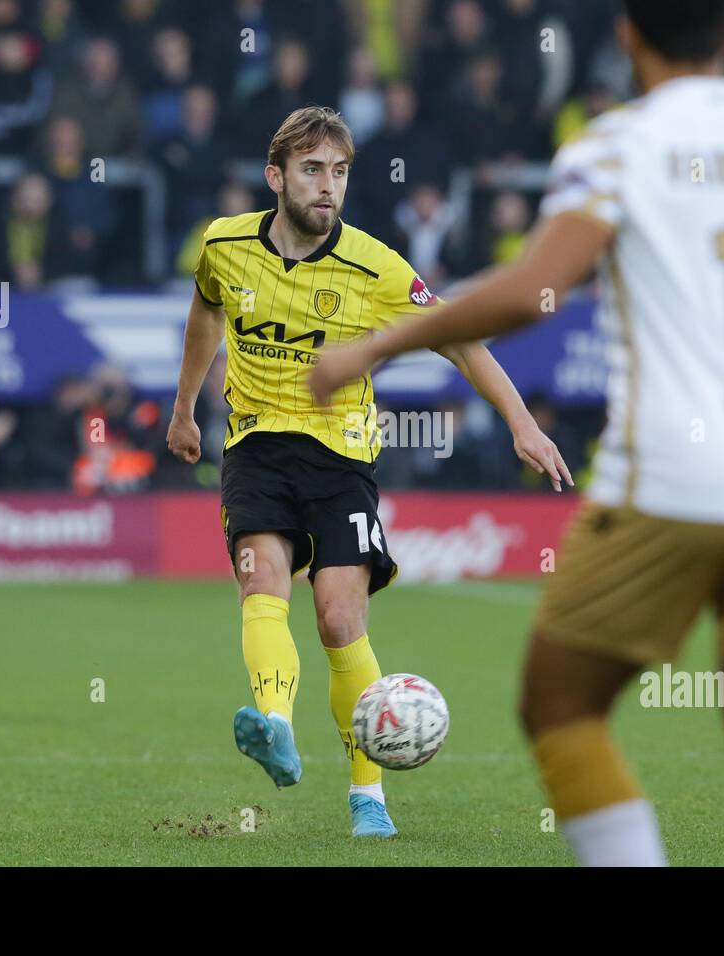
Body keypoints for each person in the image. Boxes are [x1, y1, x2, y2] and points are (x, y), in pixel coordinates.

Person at [310, 0, 724, 866]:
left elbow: (532, 290)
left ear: (626, 37)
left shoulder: (618, 144)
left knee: (561, 705)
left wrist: (381, 343)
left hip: (674, 479)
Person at [165, 106, 571, 839]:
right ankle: (276, 725)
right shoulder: (223, 245)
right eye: (314, 170)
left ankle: (368, 796)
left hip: (342, 456)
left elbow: (459, 340)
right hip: (255, 446)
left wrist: (522, 423)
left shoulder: (375, 266)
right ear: (276, 176)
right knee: (263, 585)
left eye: (340, 172)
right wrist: (185, 407)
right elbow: (205, 312)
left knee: (338, 618)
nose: (328, 187)